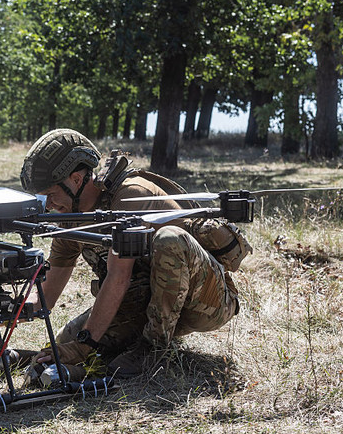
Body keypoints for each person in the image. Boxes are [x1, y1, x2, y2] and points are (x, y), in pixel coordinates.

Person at [19, 129, 246, 380]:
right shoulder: (69, 218)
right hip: (143, 302)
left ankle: (153, 348)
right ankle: (122, 347)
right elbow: (45, 297)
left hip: (206, 301)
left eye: (50, 195)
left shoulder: (129, 196)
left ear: (75, 179)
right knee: (64, 340)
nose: (48, 205)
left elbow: (119, 277)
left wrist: (84, 347)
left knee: (169, 238)